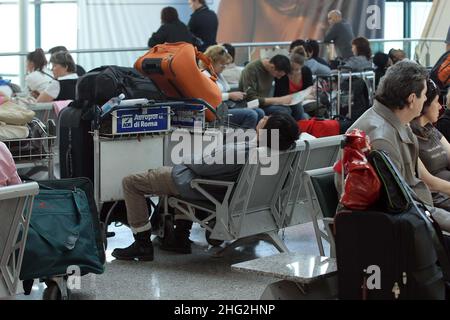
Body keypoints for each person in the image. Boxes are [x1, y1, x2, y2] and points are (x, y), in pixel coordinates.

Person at [111, 113, 300, 261]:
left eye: (268, 119)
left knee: (131, 182)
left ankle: (142, 244)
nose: (264, 117)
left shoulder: (242, 152)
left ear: (268, 132)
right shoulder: (281, 152)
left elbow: (200, 166)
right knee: (170, 173)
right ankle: (179, 237)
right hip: (219, 189)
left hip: (196, 183)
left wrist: (187, 158)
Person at [347, 61, 450, 232]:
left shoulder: (396, 124)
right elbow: (405, 205)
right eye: (424, 95)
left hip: (411, 220)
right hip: (395, 231)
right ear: (411, 99)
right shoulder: (381, 139)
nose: (425, 100)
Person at [200, 45, 265, 129]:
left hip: (224, 106)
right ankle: (241, 139)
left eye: (225, 65)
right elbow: (209, 96)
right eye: (222, 65)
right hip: (215, 111)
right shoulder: (204, 75)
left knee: (259, 112)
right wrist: (230, 95)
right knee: (251, 114)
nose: (224, 67)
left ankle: (252, 138)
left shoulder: (217, 75)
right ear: (211, 62)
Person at [410, 79, 450, 211]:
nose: (440, 106)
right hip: (438, 199)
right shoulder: (410, 135)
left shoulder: (431, 130)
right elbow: (428, 182)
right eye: (436, 101)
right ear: (424, 105)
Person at [239, 55, 307, 120]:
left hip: (266, 103)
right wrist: (279, 100)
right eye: (278, 75)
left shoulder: (274, 69)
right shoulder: (251, 70)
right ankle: (283, 131)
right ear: (272, 67)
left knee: (297, 106)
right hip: (252, 105)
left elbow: (282, 91)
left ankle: (300, 129)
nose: (278, 78)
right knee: (284, 110)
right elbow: (251, 99)